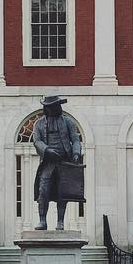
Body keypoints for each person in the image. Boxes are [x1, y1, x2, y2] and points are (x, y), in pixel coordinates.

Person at [31, 94, 83, 230]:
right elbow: (36, 141)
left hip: (64, 162)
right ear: (46, 108)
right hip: (48, 163)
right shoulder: (39, 123)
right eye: (51, 107)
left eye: (56, 106)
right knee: (43, 191)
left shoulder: (68, 122)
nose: (55, 109)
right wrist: (47, 150)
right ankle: (42, 221)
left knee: (63, 192)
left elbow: (75, 140)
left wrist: (76, 153)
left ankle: (60, 222)